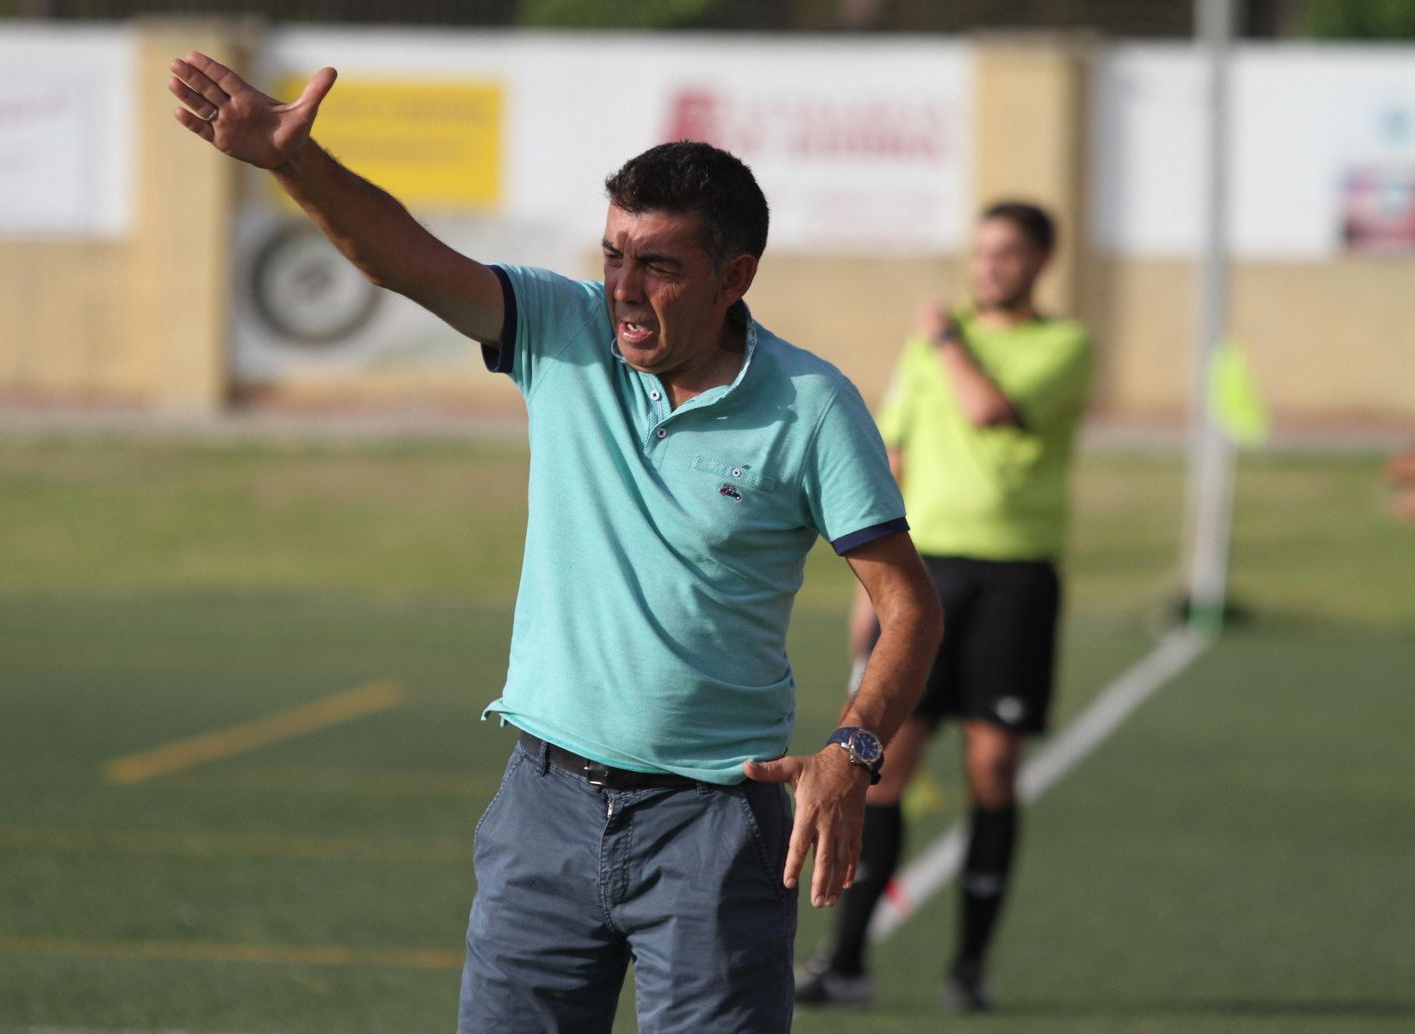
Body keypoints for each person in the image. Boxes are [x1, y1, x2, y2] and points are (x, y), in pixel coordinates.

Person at [167, 52, 943, 1033]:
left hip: (716, 826)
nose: (621, 286)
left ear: (733, 276)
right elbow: (401, 255)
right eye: (613, 252)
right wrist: (293, 162)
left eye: (656, 263)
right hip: (544, 810)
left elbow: (908, 601)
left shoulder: (811, 405)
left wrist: (854, 748)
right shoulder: (560, 328)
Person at [794, 201, 1093, 1014]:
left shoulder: (1063, 346)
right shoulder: (929, 345)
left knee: (992, 770)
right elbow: (893, 451)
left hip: (1017, 579)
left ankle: (968, 966)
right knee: (883, 766)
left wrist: (949, 341)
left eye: (1008, 254)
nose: (989, 267)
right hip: (927, 575)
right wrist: (872, 591)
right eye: (981, 252)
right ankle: (846, 960)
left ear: (1041, 261)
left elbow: (987, 409)